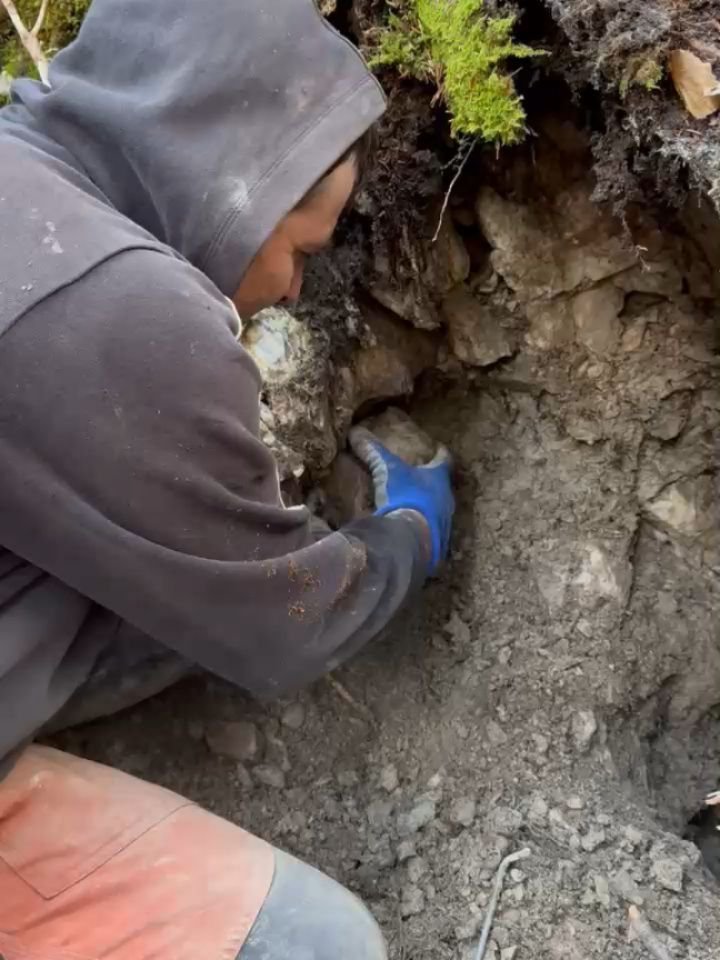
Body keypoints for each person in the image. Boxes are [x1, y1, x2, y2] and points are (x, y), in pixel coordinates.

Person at [0, 0, 454, 957]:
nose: (292, 288)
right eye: (301, 250)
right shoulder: (116, 306)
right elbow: (290, 627)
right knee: (322, 947)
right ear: (239, 190)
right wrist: (406, 537)